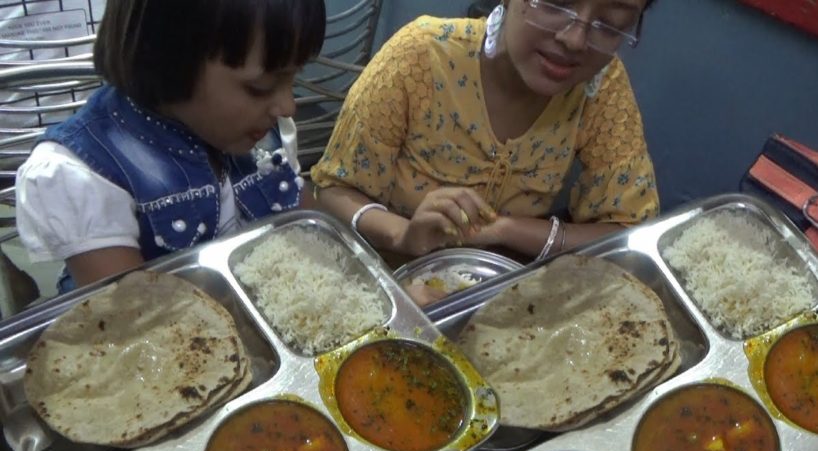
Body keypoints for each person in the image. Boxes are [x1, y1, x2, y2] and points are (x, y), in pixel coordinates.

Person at [311, 0, 659, 272]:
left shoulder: (601, 87)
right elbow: (332, 190)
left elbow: (628, 231)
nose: (575, 39)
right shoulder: (420, 58)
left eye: (611, 23)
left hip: (497, 292)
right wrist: (402, 235)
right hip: (382, 278)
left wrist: (506, 230)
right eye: (555, 3)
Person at [15, 0, 326, 292]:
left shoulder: (255, 125)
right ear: (168, 57)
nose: (288, 106)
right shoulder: (82, 177)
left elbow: (314, 231)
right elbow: (140, 322)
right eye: (262, 87)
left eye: (293, 79)